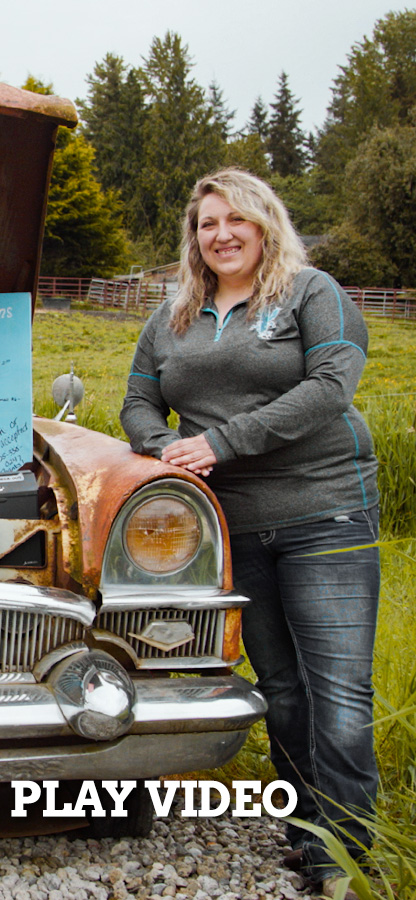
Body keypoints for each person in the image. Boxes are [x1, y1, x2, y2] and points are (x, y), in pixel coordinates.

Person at [121, 168, 379, 900]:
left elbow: (331, 387)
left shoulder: (310, 293)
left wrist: (219, 442)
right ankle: (306, 833)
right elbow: (138, 399)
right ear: (194, 237)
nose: (222, 234)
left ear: (265, 225)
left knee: (339, 693)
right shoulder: (171, 316)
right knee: (283, 691)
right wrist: (163, 450)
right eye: (208, 223)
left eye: (236, 219)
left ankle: (346, 857)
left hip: (325, 511)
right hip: (233, 522)